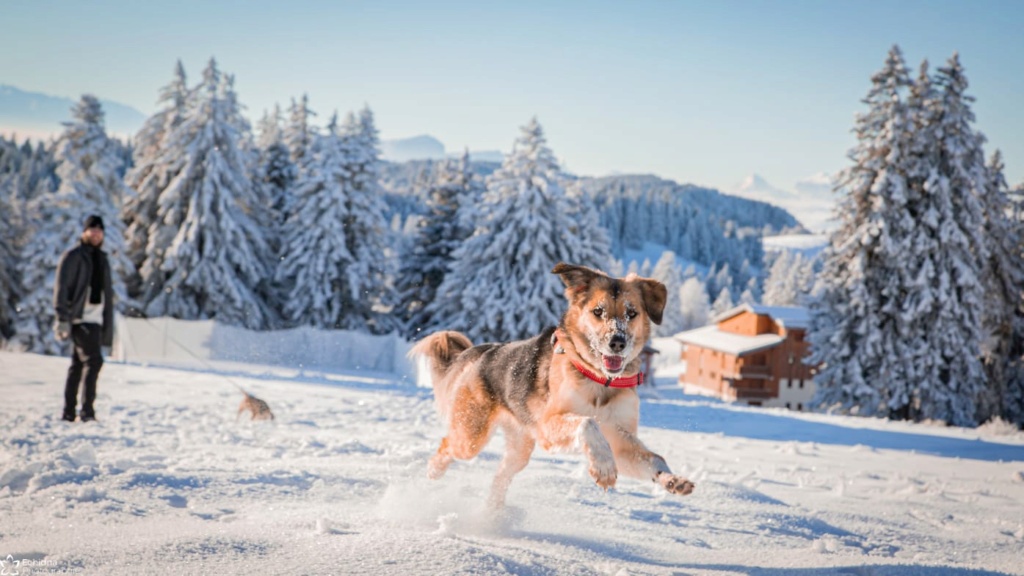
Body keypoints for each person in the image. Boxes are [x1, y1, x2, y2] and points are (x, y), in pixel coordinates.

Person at [53, 214, 114, 422]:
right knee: (94, 361)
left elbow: (106, 291)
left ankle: (69, 412)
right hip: (79, 317)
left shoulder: (102, 259)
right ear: (84, 232)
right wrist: (62, 316)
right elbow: (61, 288)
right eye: (92, 230)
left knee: (78, 364)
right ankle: (87, 411)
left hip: (96, 318)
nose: (96, 234)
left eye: (99, 231)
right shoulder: (74, 256)